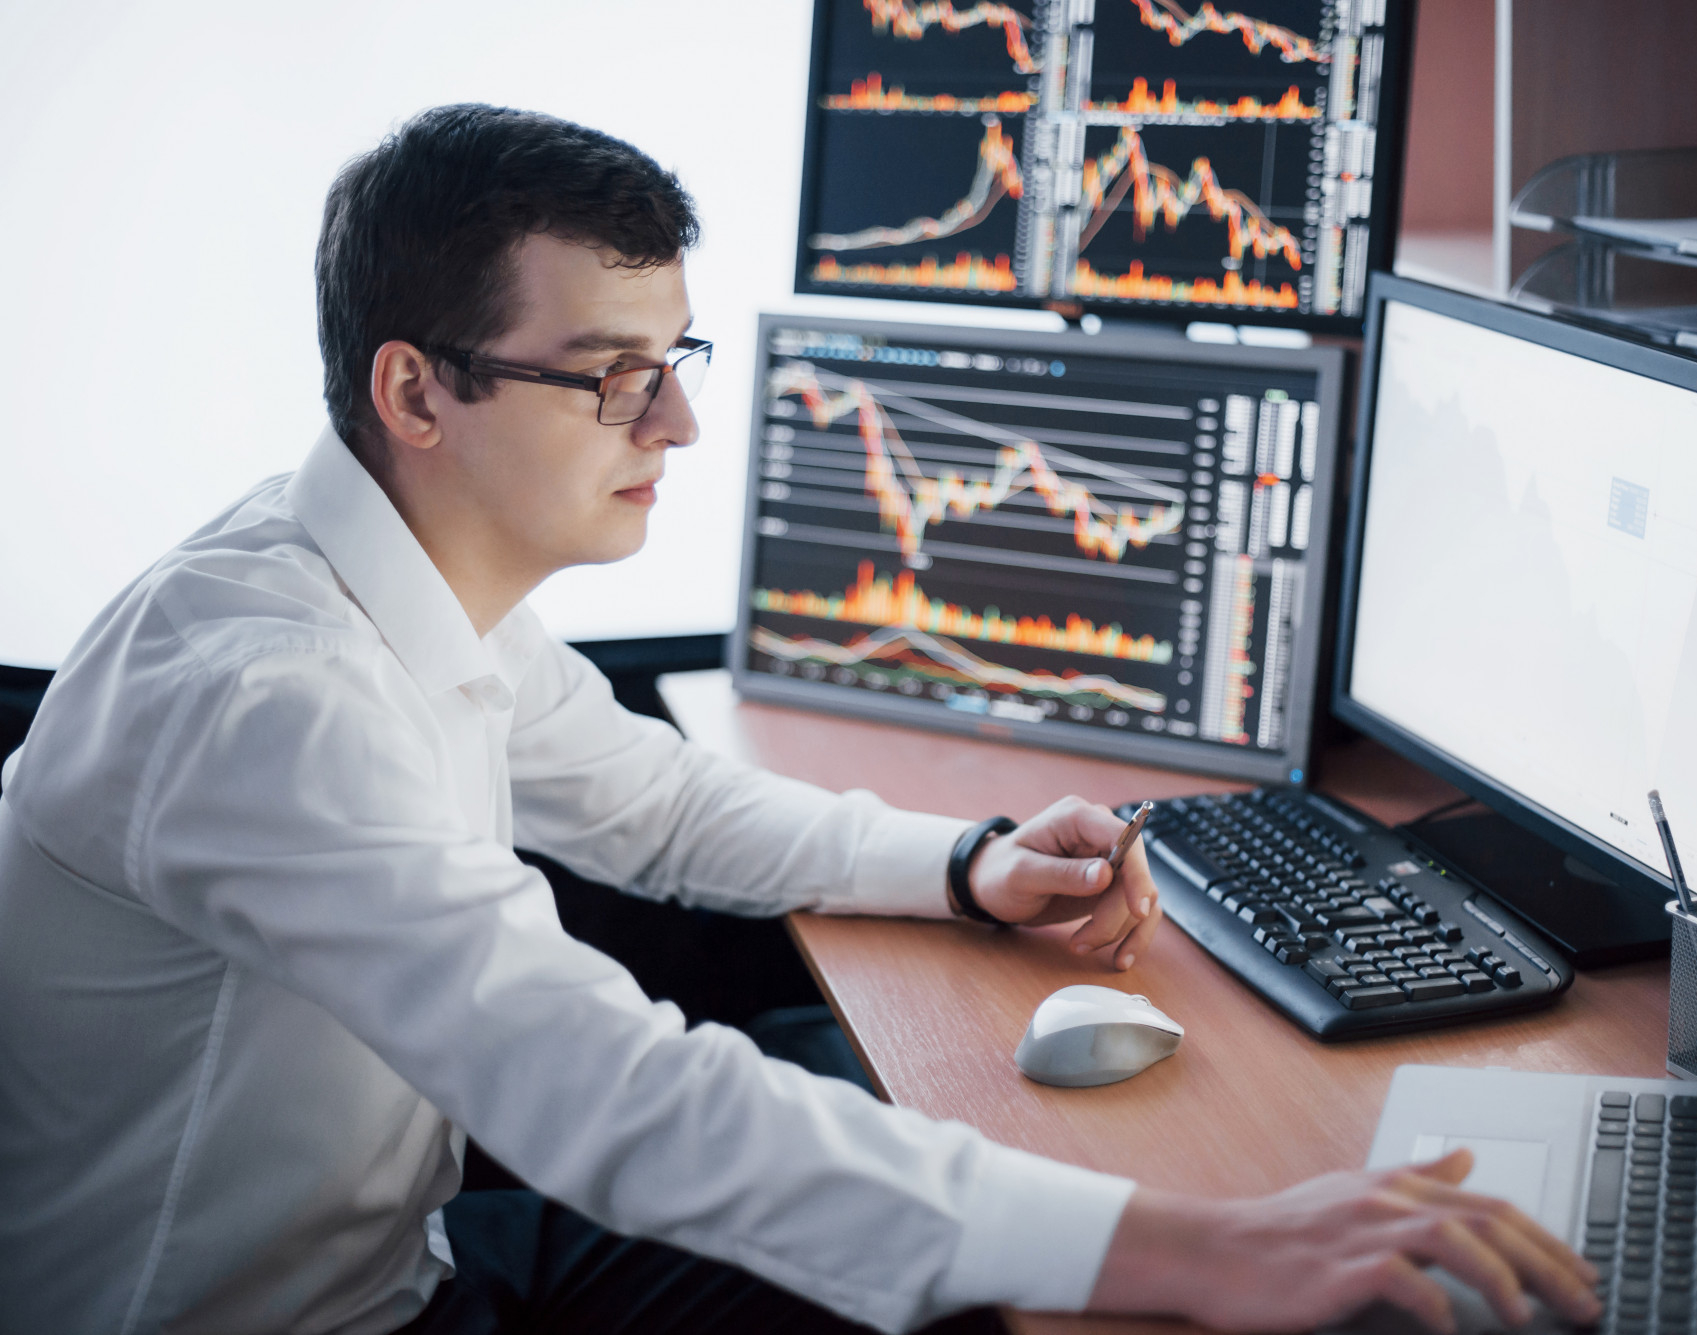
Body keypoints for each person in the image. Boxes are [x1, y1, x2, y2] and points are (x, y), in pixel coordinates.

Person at [0, 104, 1602, 1335]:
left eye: (672, 356)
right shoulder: (264, 698)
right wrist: (1210, 1244)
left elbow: (658, 803)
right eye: (615, 374)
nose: (682, 419)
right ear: (417, 395)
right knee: (1001, 1271)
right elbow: (597, 1085)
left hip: (408, 1248)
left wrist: (969, 863)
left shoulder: (393, 581)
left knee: (860, 1103)